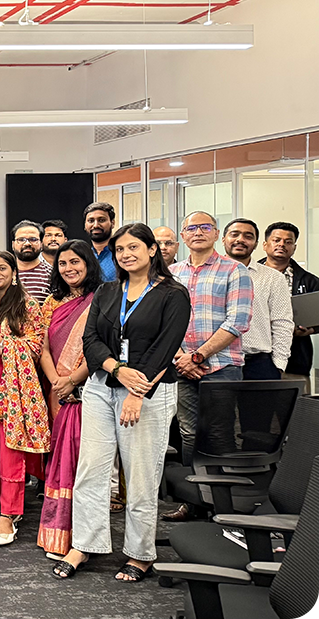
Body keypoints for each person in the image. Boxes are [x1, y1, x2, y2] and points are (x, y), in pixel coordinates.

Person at [53, 223, 189, 583]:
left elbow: (164, 349)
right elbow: (92, 339)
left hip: (148, 392)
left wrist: (136, 391)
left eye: (133, 247)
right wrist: (116, 369)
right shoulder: (108, 290)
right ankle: (84, 544)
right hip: (101, 387)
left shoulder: (173, 294)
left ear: (152, 250)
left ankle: (139, 553)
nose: (126, 254)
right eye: (120, 250)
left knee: (141, 475)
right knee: (91, 471)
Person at [0, 250, 49, 546]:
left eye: (2, 268)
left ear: (14, 272)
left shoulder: (27, 304)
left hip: (15, 387)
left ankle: (9, 515)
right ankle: (4, 508)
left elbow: (36, 345)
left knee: (10, 450)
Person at [168, 211, 251, 474]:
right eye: (192, 228)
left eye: (205, 227)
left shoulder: (235, 270)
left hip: (222, 367)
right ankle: (194, 493)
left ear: (216, 234)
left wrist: (197, 356)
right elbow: (163, 323)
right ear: (183, 237)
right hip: (181, 367)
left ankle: (223, 495)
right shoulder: (171, 274)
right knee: (189, 433)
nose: (198, 232)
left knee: (219, 433)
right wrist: (182, 357)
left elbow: (237, 321)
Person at [36, 240, 101, 559]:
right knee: (59, 458)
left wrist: (74, 380)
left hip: (89, 388)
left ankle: (81, 536)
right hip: (56, 390)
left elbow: (102, 346)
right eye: (63, 263)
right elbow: (43, 347)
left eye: (75, 262)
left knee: (81, 460)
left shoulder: (102, 298)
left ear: (88, 263)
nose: (69, 268)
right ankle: (58, 531)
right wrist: (56, 382)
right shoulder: (52, 302)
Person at [223, 219, 292, 379]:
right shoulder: (208, 274)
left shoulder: (273, 277)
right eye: (234, 234)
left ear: (256, 244)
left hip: (258, 363)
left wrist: (279, 364)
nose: (240, 239)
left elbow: (282, 323)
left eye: (248, 236)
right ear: (223, 239)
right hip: (216, 361)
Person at [259, 221, 319, 378]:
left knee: (295, 393)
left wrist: (311, 330)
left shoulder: (310, 281)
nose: (282, 245)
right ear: (265, 245)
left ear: (294, 247)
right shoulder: (247, 274)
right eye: (276, 240)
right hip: (255, 355)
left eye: (288, 242)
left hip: (296, 356)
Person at [12, 220, 54, 305]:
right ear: (13, 244)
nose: (27, 243)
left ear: (41, 244)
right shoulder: (4, 273)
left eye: (33, 239)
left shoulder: (52, 274)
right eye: (21, 240)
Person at [85, 202, 117, 282]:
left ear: (112, 223)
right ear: (85, 225)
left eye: (101, 220)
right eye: (91, 221)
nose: (96, 225)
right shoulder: (83, 256)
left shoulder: (121, 254)